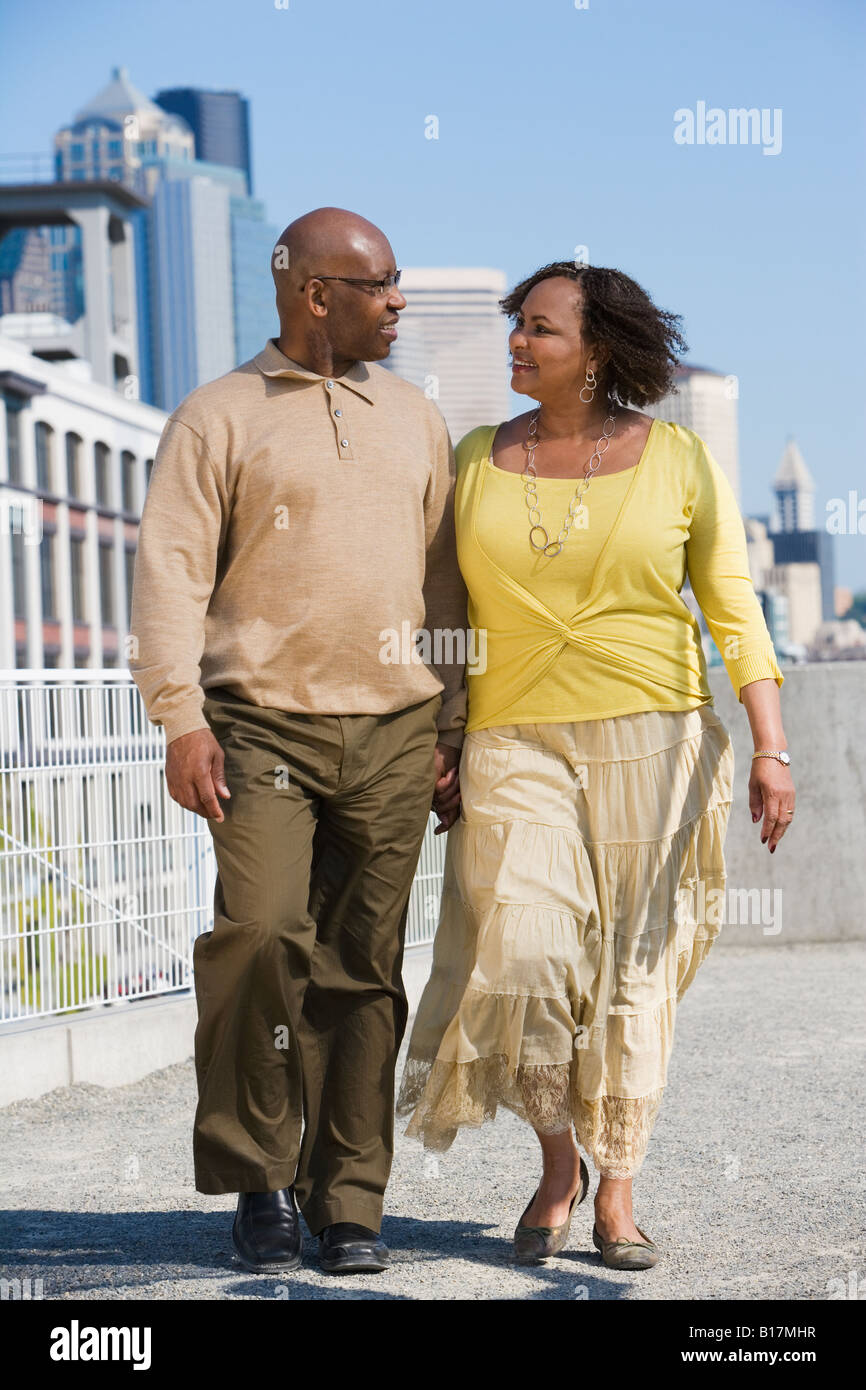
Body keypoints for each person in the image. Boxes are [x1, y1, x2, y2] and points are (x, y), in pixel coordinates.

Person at [396, 261, 794, 1270]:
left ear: (598, 352)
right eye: (514, 327)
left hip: (655, 741)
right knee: (522, 957)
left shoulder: (678, 459)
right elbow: (445, 613)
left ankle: (614, 1190)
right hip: (510, 740)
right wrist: (446, 730)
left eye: (538, 330)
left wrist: (769, 744)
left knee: (630, 973)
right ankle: (555, 1159)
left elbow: (730, 606)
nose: (515, 345)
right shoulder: (477, 458)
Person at [129, 207, 468, 1275]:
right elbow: (171, 575)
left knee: (361, 969)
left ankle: (348, 1201)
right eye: (380, 285)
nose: (398, 301)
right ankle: (259, 1178)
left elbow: (445, 577)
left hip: (396, 724)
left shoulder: (414, 416)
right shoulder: (217, 415)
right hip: (258, 720)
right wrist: (178, 716)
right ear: (315, 294)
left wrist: (452, 716)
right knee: (264, 937)